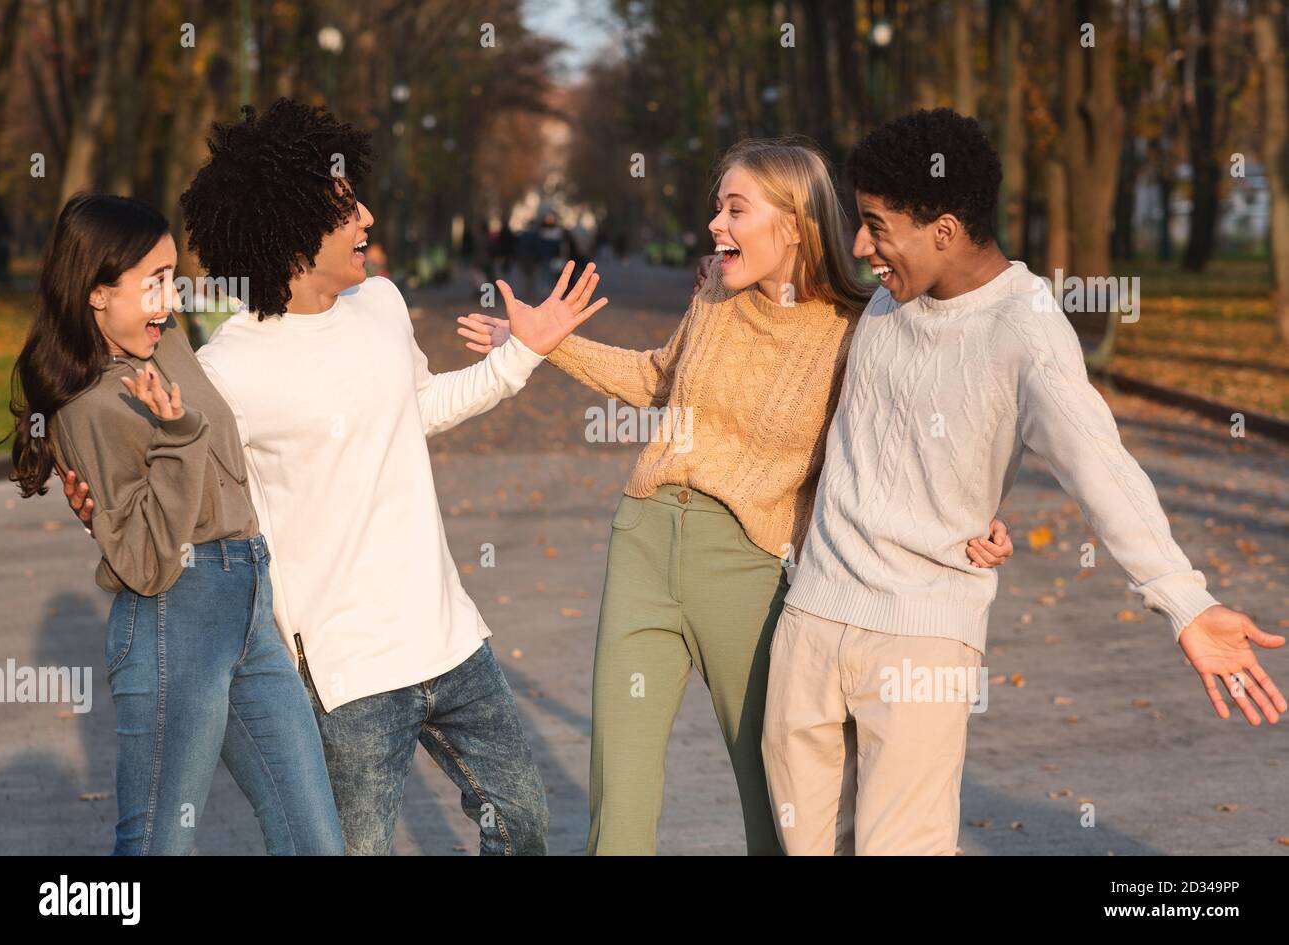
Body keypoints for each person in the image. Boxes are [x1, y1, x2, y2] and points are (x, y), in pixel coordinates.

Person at [63, 99, 609, 855]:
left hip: (449, 637)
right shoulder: (228, 368)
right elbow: (208, 507)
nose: (370, 220)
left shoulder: (382, 303)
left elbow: (418, 407)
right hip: (345, 675)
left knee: (523, 824)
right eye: (349, 209)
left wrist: (521, 357)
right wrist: (100, 504)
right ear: (293, 229)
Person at [457, 137, 1014, 855]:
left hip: (749, 570)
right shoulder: (716, 293)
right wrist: (543, 344)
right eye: (717, 208)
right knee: (619, 796)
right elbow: (661, 376)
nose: (716, 224)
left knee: (779, 803)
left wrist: (981, 518)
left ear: (792, 223)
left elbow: (912, 440)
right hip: (645, 545)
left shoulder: (857, 330)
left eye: (735, 209)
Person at [760, 108, 1287, 856]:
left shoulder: (1026, 330)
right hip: (811, 623)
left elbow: (1101, 467)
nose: (860, 246)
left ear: (943, 230)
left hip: (922, 641)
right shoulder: (887, 301)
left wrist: (1184, 600)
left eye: (876, 225)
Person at [12, 193, 344, 855]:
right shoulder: (90, 406)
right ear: (96, 293)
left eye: (173, 276)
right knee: (155, 843)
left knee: (313, 839)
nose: (170, 298)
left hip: (248, 603)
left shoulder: (167, 346)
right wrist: (178, 437)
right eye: (153, 282)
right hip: (175, 619)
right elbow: (147, 560)